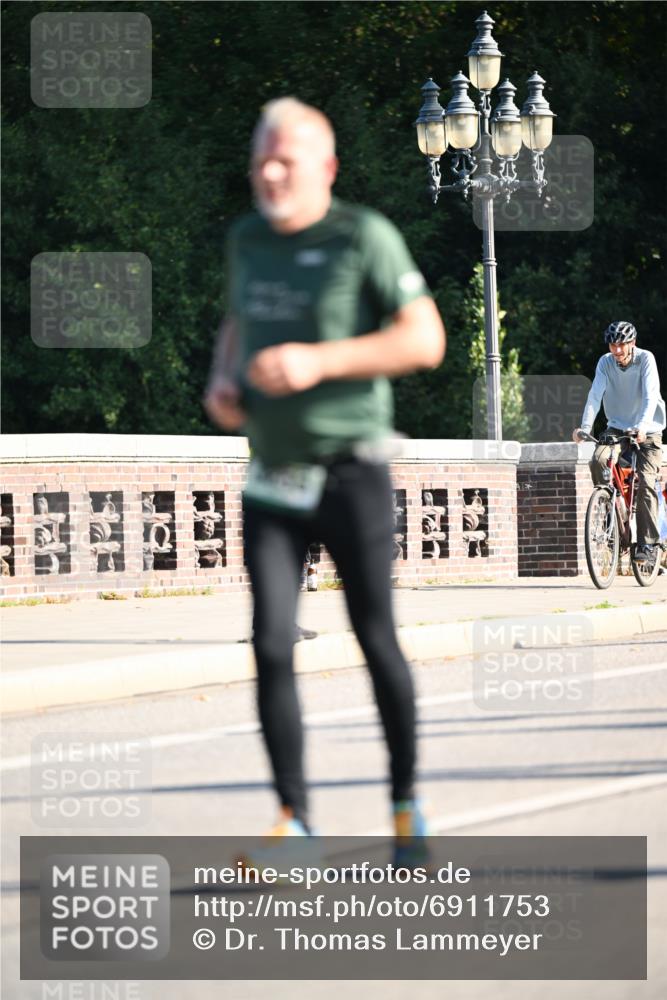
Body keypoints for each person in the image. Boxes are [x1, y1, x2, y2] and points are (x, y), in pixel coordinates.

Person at [204, 97, 446, 859]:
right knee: (271, 643)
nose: (269, 175)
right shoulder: (245, 240)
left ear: (325, 169)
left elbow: (424, 339)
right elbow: (238, 321)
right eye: (259, 162)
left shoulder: (362, 236)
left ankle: (405, 804)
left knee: (376, 639)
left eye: (285, 161)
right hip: (272, 476)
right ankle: (295, 822)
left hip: (352, 473)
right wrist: (223, 380)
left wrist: (319, 361)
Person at [573, 321, 665, 563]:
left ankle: (648, 544)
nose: (616, 350)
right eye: (613, 345)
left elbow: (650, 395)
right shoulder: (605, 362)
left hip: (649, 429)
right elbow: (595, 394)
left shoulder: (646, 359)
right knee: (599, 459)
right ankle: (610, 512)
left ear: (632, 344)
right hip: (617, 426)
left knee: (645, 483)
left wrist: (643, 427)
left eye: (621, 345)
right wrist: (584, 428)